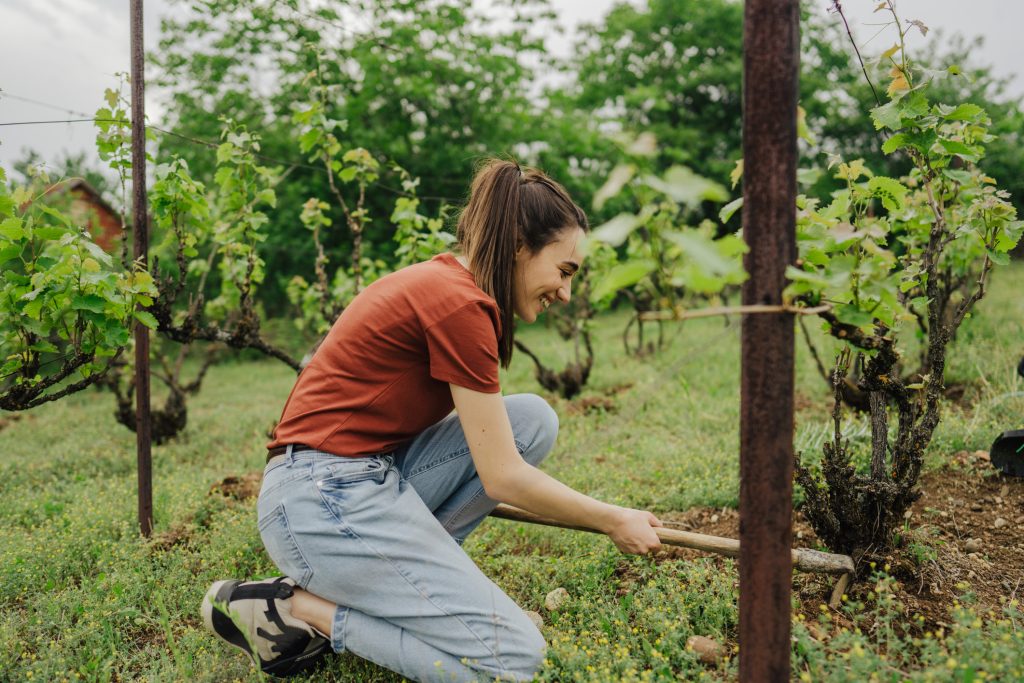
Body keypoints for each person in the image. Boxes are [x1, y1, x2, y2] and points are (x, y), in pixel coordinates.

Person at [201, 159, 663, 681]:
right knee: (516, 660)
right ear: (518, 245)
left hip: (360, 479)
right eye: (565, 271)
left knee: (532, 419)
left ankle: (421, 604)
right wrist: (613, 518)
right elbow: (503, 476)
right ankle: (299, 609)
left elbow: (502, 449)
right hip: (320, 501)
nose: (566, 292)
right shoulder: (459, 304)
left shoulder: (453, 286)